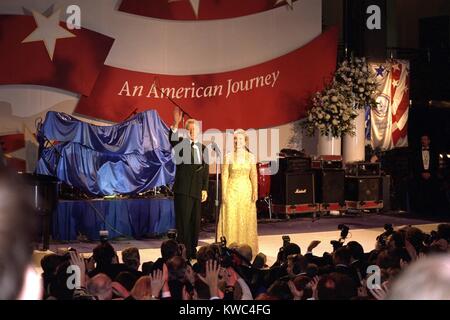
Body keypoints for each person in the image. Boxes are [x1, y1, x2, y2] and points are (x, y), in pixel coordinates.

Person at [169, 107, 209, 259]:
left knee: (195, 224)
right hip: (183, 190)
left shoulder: (203, 148)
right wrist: (176, 123)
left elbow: (205, 170)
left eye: (195, 130)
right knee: (183, 224)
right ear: (186, 132)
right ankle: (183, 253)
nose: (192, 132)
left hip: (197, 191)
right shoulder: (181, 144)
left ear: (198, 131)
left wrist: (205, 188)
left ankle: (193, 252)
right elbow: (171, 139)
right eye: (190, 130)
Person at [217, 129, 259, 255]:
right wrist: (223, 193)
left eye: (240, 139)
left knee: (245, 218)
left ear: (245, 141)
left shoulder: (251, 157)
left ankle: (246, 248)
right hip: (232, 190)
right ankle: (229, 248)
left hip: (246, 190)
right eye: (235, 139)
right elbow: (224, 175)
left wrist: (255, 191)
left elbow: (254, 175)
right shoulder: (228, 156)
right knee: (232, 217)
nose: (237, 141)